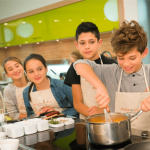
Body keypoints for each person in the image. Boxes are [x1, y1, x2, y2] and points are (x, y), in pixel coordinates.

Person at [73, 20, 150, 130]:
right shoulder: (110, 72)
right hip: (118, 135)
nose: (126, 64)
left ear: (144, 53)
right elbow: (79, 64)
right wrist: (100, 86)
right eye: (121, 58)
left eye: (132, 58)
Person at [64, 22, 117, 119]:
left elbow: (117, 98)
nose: (87, 46)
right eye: (82, 43)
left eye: (91, 42)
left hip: (110, 118)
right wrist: (94, 115)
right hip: (87, 121)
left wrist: (104, 111)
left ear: (99, 43)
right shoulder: (75, 68)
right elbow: (77, 103)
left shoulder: (111, 64)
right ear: (77, 45)